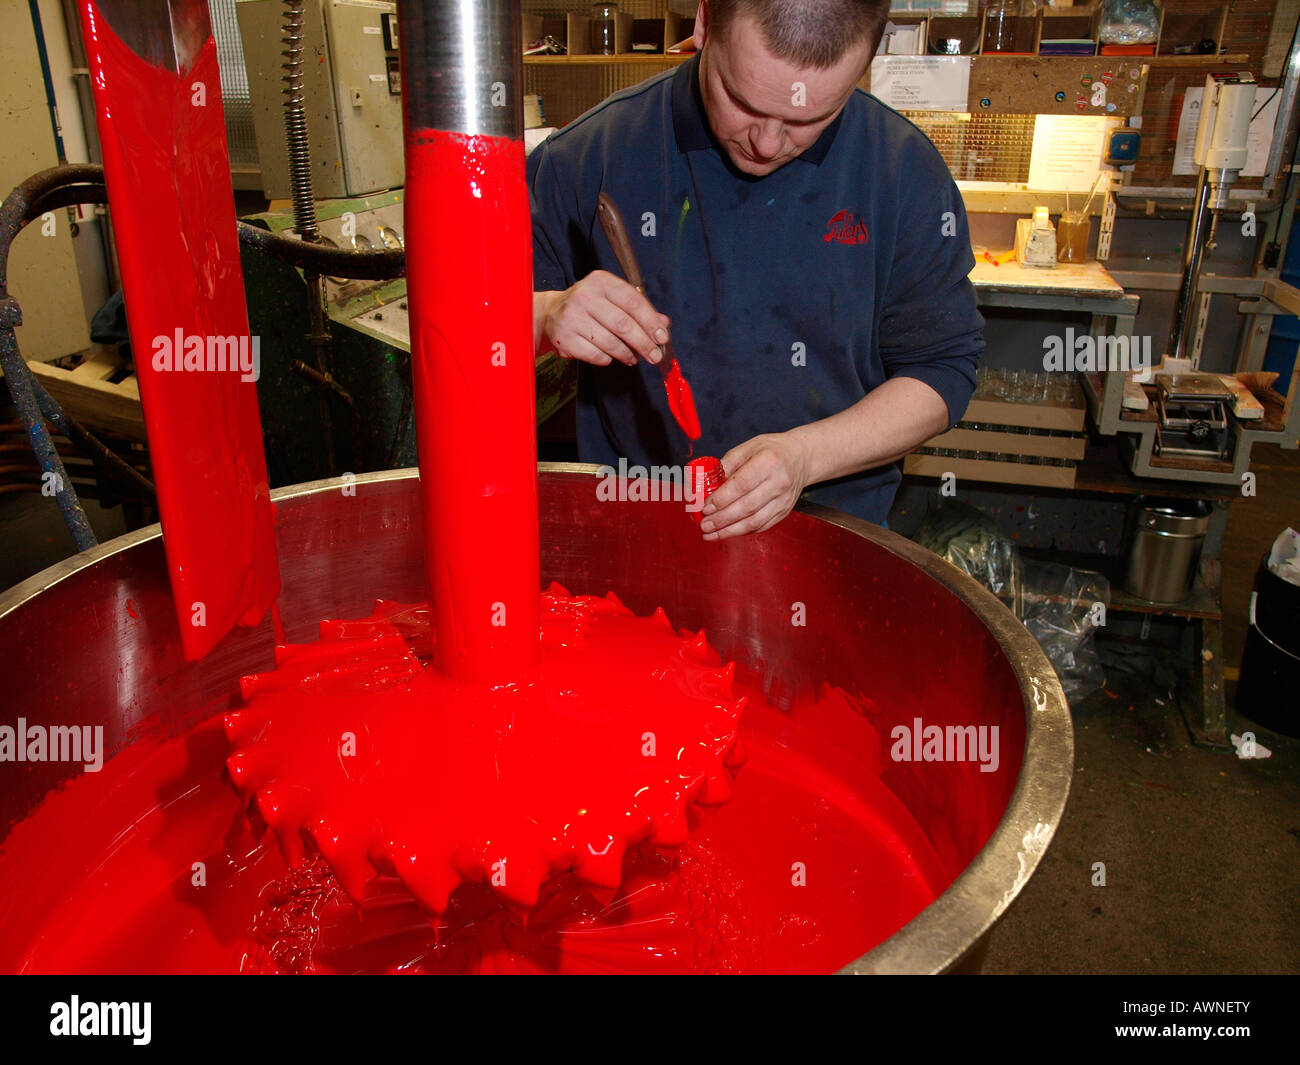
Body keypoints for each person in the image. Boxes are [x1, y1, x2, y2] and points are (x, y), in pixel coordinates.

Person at [529, 0, 983, 540]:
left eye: (809, 118)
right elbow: (463, 330)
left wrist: (804, 456)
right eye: (741, 101)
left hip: (832, 531)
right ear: (703, 24)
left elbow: (941, 371)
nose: (766, 144)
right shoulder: (586, 156)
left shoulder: (904, 173)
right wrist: (544, 315)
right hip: (633, 523)